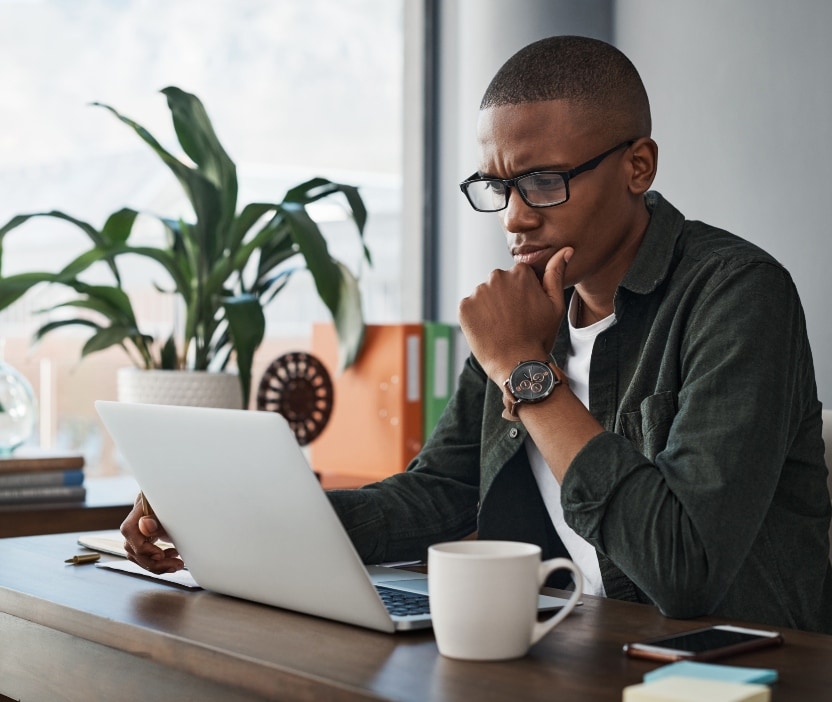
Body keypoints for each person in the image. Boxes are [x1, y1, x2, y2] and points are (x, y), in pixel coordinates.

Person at [122, 35, 832, 633]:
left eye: (544, 181)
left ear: (637, 166)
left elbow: (686, 571)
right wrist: (232, 518)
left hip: (737, 669)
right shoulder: (527, 311)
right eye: (498, 186)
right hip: (577, 644)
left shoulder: (736, 294)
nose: (515, 219)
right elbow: (438, 493)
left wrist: (526, 372)